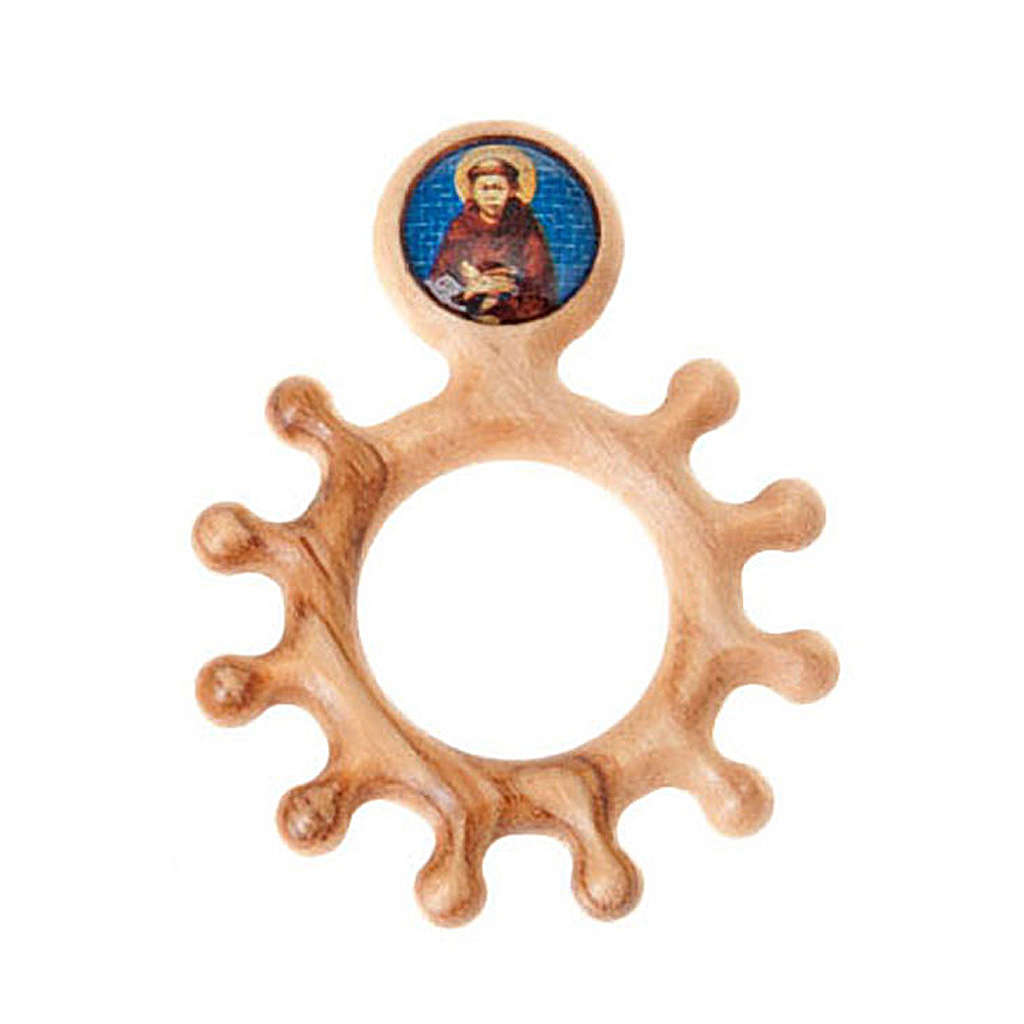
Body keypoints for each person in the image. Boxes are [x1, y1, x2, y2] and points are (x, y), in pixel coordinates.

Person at [426, 155, 557, 323]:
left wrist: (505, 291)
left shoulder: (525, 226)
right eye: (484, 188)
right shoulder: (460, 228)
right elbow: (440, 277)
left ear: (512, 191)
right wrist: (469, 291)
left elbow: (539, 282)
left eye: (498, 188)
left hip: (514, 306)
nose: (491, 195)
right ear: (473, 192)